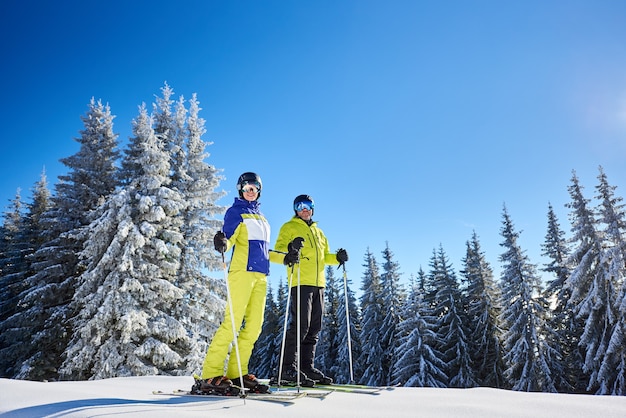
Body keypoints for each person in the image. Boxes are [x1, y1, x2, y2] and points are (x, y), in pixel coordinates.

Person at [195, 172, 282, 395]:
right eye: (246, 187)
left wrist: (286, 257)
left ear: (259, 190)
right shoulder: (236, 212)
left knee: (254, 327)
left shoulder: (262, 218)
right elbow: (229, 237)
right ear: (240, 190)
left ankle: (237, 372)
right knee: (232, 324)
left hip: (261, 276)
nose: (250, 190)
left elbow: (264, 250)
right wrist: (223, 241)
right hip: (241, 273)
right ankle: (211, 373)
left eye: (254, 187)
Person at [271, 194, 348, 387]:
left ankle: (306, 368)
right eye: (300, 205)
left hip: (318, 283)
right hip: (300, 281)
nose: (304, 209)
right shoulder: (288, 227)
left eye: (308, 205)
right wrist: (291, 248)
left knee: (314, 328)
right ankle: (286, 368)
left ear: (313, 208)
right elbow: (279, 252)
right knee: (300, 325)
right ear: (295, 209)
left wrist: (338, 258)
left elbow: (324, 258)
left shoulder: (319, 233)